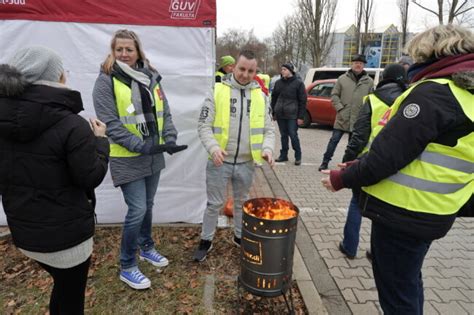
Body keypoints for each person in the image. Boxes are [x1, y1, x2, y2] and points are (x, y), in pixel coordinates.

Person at [321, 24, 474, 314]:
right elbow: (423, 152)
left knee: (396, 295)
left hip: (403, 214)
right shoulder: (466, 95)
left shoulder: (434, 93)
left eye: (417, 55)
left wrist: (341, 177)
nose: (413, 62)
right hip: (435, 213)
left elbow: (387, 157)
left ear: (433, 52)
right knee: (408, 283)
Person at [0, 46, 109, 314]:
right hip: (67, 238)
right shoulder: (72, 124)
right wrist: (101, 142)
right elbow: (91, 176)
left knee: (63, 288)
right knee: (71, 297)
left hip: (25, 232)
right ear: (56, 77)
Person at [93, 29, 186, 290]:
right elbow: (110, 123)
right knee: (137, 210)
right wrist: (140, 146)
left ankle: (146, 248)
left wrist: (169, 137)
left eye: (129, 49)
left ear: (138, 52)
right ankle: (127, 265)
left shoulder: (151, 77)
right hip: (127, 157)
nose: (124, 54)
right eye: (119, 49)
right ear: (113, 51)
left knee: (148, 203)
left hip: (152, 155)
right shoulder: (105, 81)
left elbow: (164, 111)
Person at [194, 50, 275, 262]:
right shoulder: (217, 90)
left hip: (247, 163)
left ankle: (239, 236)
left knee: (242, 202)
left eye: (251, 70)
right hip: (219, 161)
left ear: (256, 71)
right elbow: (203, 125)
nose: (245, 74)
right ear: (233, 67)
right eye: (242, 69)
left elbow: (269, 130)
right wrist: (213, 148)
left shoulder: (261, 96)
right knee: (214, 204)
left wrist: (267, 149)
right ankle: (206, 240)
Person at [338, 64, 408, 260]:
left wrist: (347, 161)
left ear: (384, 78)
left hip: (367, 162)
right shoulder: (410, 99)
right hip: (397, 165)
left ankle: (350, 247)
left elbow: (359, 136)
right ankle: (377, 252)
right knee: (385, 209)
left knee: (356, 204)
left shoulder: (373, 99)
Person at [318, 54, 373, 171]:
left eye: (361, 63)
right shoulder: (342, 79)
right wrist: (340, 108)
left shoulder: (369, 82)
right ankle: (325, 162)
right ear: (352, 64)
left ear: (363, 66)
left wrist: (365, 115)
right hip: (342, 117)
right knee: (333, 141)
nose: (358, 65)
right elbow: (334, 95)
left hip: (358, 119)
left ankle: (347, 167)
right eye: (356, 63)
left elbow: (371, 100)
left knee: (352, 146)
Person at [271, 62, 307, 165]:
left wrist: (301, 116)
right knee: (283, 135)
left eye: (284, 69)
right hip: (280, 114)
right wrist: (274, 112)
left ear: (291, 71)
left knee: (293, 135)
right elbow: (274, 98)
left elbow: (303, 100)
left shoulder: (299, 83)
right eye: (282, 69)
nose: (282, 71)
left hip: (293, 114)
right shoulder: (278, 83)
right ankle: (283, 155)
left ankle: (298, 156)